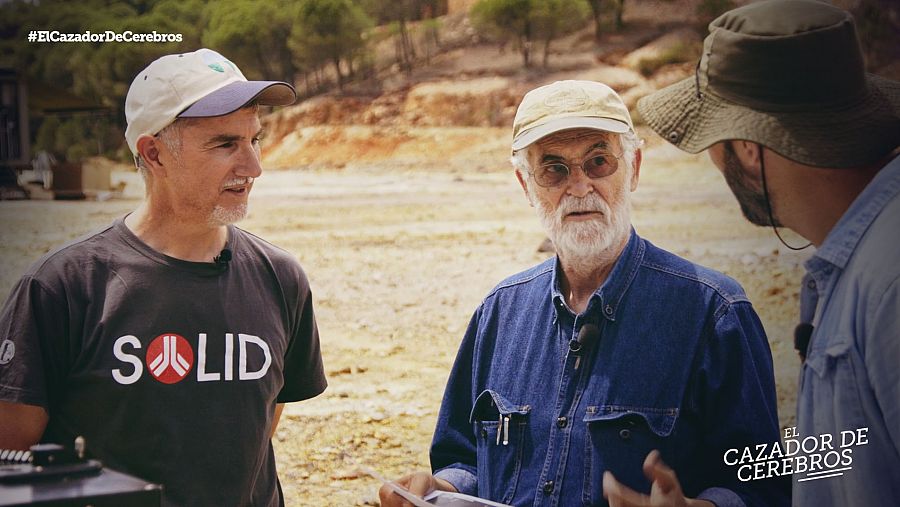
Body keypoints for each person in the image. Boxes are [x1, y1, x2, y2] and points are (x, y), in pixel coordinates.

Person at [380, 80, 789, 507]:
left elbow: (764, 487)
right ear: (525, 184)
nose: (578, 187)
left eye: (598, 162)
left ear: (634, 168)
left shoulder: (714, 313)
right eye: (554, 169)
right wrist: (438, 490)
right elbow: (464, 458)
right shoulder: (498, 312)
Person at [0, 48, 327, 506]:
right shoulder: (63, 288)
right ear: (153, 153)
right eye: (225, 144)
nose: (254, 167)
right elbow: (10, 458)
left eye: (254, 140)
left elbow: (256, 429)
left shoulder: (280, 277)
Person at [636, 1, 900, 505]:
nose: (712, 160)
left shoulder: (889, 278)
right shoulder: (858, 258)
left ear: (748, 147)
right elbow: (857, 445)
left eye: (710, 138)